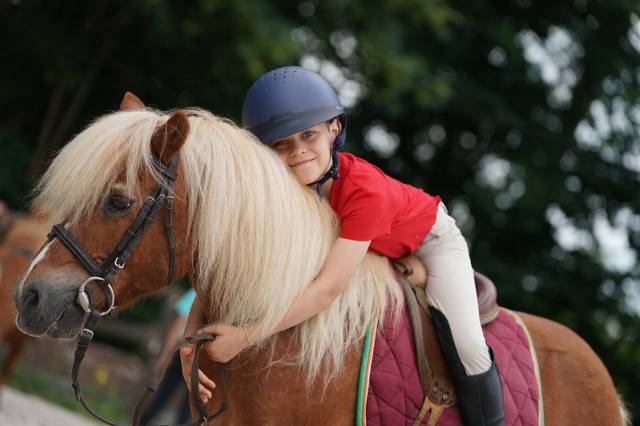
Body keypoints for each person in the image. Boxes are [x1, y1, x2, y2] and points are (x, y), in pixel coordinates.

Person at [180, 66, 505, 426]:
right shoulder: (283, 195)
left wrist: (245, 336)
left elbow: (327, 289)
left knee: (469, 346)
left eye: (308, 135)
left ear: (334, 129)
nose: (298, 152)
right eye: (281, 144)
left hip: (432, 240)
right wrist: (188, 342)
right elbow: (228, 271)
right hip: (357, 241)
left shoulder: (365, 191)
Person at [139, 288, 196, 425]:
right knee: (189, 406)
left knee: (164, 395)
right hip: (197, 354)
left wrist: (165, 355)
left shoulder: (197, 292)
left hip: (184, 350)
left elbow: (178, 325)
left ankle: (141, 423)